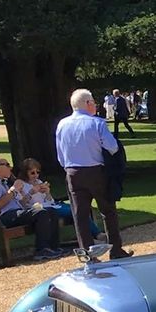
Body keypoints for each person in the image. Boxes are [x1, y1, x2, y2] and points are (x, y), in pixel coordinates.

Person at [55, 88, 130, 257]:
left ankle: (87, 254)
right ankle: (116, 250)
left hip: (72, 172)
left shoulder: (62, 124)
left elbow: (60, 154)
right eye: (93, 102)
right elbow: (112, 147)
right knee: (108, 211)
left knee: (80, 214)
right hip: (96, 171)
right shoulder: (96, 123)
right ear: (88, 104)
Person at [0, 156, 61, 259]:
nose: (11, 168)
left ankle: (54, 247)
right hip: (2, 217)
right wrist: (13, 190)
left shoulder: (3, 182)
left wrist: (29, 193)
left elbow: (20, 201)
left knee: (51, 210)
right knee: (41, 212)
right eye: (7, 165)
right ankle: (42, 250)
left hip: (16, 212)